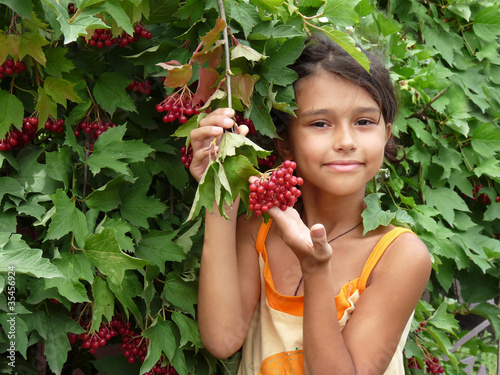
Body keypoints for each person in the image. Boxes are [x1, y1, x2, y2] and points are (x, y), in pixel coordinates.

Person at [188, 35, 432, 375]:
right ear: (284, 144)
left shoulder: (400, 255)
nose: (346, 142)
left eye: (364, 122)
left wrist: (315, 270)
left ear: (386, 134)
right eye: (320, 123)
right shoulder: (259, 227)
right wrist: (219, 187)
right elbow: (223, 339)